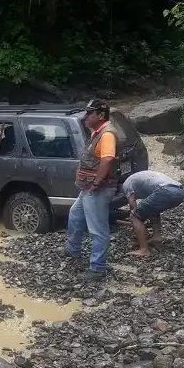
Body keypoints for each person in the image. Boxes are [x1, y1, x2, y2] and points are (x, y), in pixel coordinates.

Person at [65, 99, 121, 281]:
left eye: (90, 113)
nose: (86, 116)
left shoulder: (107, 134)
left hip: (98, 189)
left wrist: (96, 183)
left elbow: (107, 160)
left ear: (101, 115)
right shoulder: (97, 132)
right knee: (75, 215)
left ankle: (98, 268)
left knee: (98, 229)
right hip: (89, 188)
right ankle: (72, 250)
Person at [123, 170, 184, 256]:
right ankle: (157, 237)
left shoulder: (126, 184)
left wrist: (137, 220)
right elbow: (149, 206)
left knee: (134, 217)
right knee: (153, 209)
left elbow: (132, 205)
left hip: (165, 191)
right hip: (179, 192)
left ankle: (143, 249)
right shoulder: (138, 178)